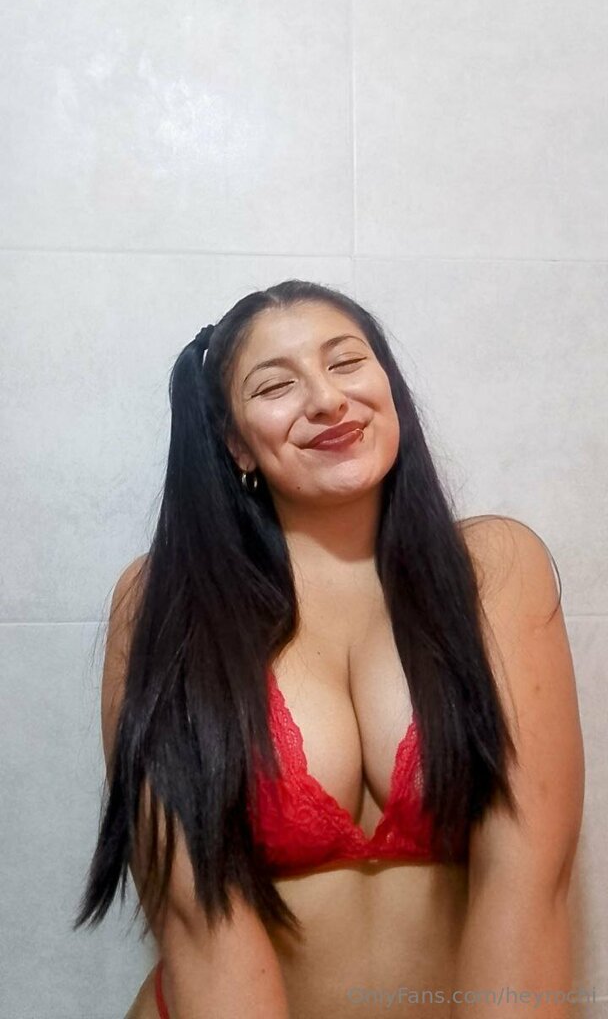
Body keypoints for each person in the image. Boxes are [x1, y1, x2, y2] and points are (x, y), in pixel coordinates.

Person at [74, 279, 584, 1019]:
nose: (325, 399)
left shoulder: (496, 570)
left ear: (389, 388)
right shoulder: (166, 600)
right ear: (236, 443)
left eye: (346, 362)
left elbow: (531, 883)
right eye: (275, 386)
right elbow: (198, 925)